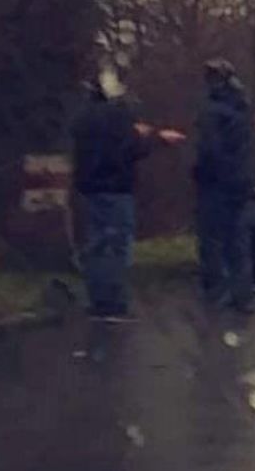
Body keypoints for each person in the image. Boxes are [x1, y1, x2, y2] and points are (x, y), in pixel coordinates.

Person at [71, 67, 185, 321]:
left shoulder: (83, 117)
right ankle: (114, 303)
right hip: (116, 187)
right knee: (117, 246)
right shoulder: (117, 115)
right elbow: (129, 148)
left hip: (90, 188)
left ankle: (97, 300)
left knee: (97, 244)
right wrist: (158, 139)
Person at [193, 59, 255, 313]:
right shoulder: (241, 106)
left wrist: (200, 172)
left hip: (215, 184)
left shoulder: (211, 110)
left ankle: (215, 293)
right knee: (237, 240)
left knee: (211, 240)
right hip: (239, 182)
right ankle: (242, 294)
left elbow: (210, 150)